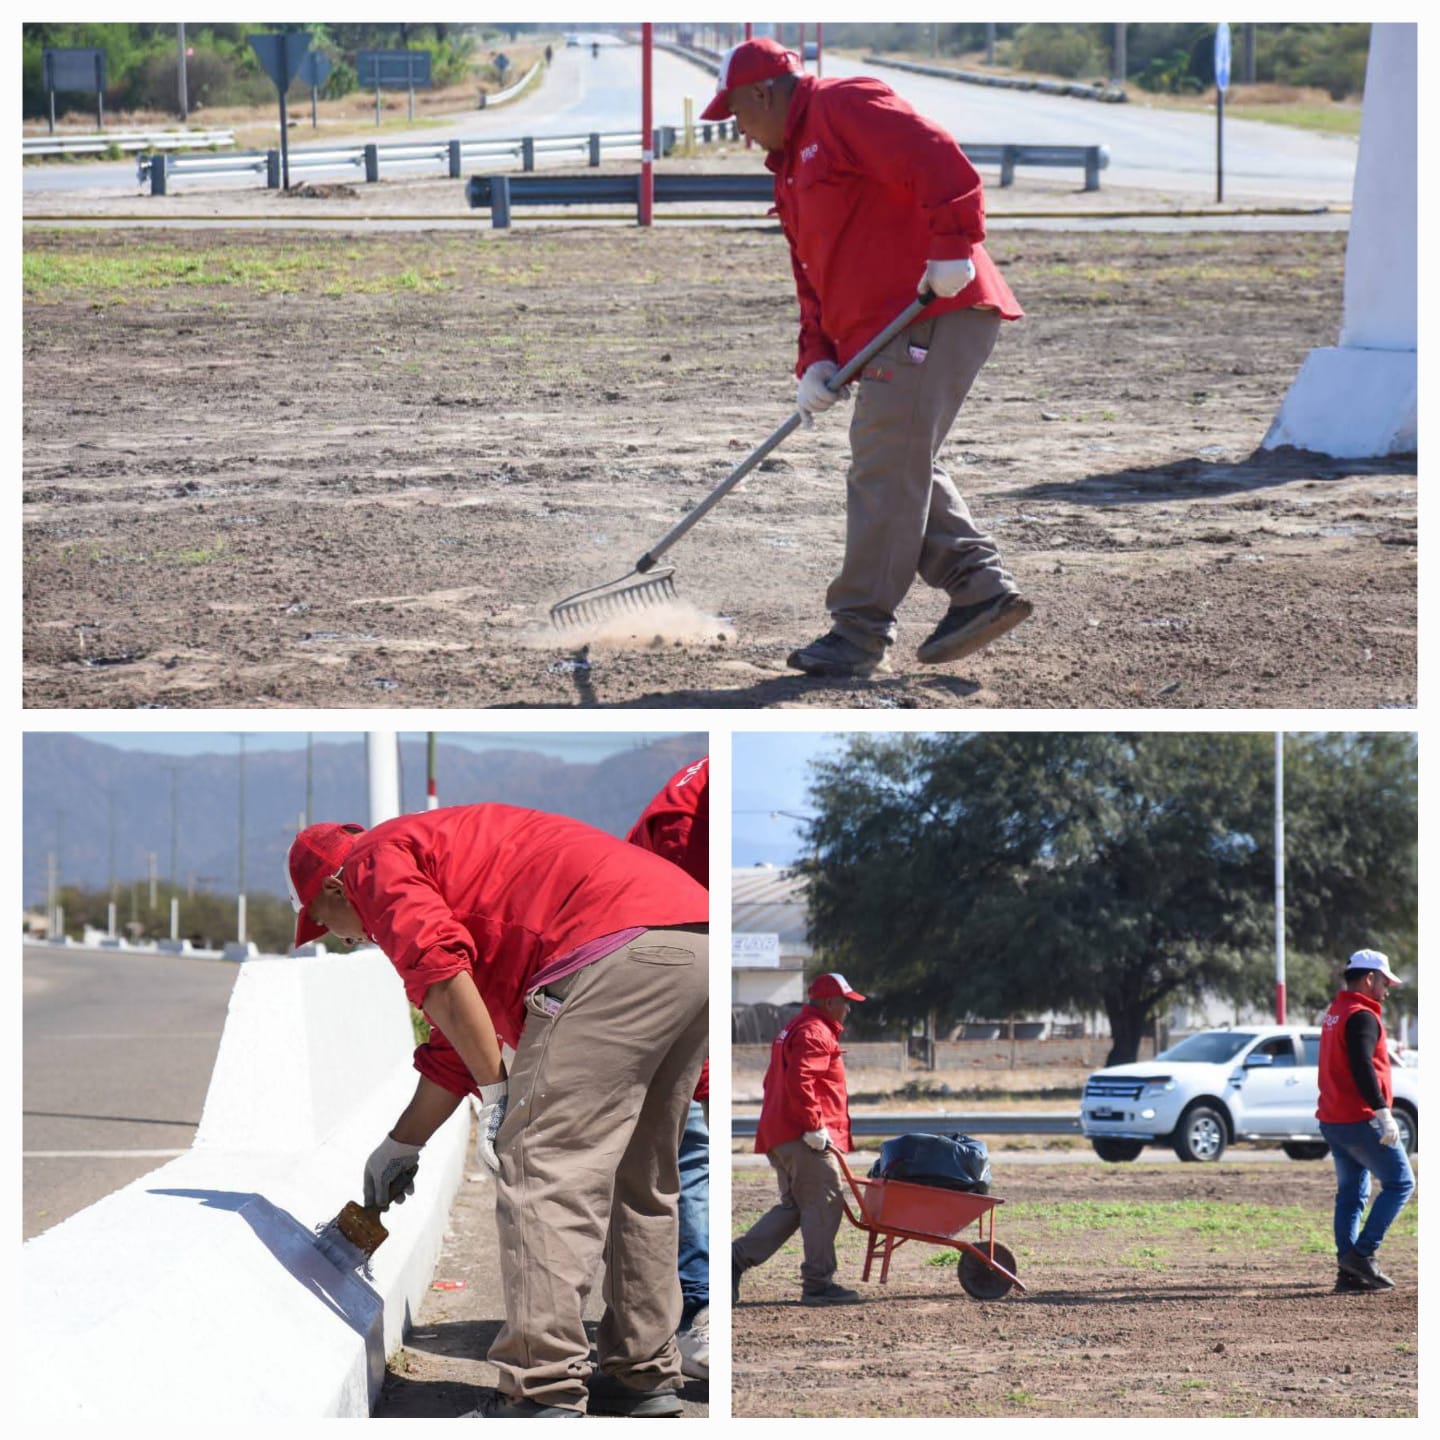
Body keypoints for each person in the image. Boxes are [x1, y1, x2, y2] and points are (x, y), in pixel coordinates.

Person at [287, 804, 708, 1418]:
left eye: (327, 923)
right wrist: (403, 1145)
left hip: (609, 947)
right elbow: (457, 1036)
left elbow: (437, 969)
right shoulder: (446, 858)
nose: (346, 939)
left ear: (333, 885)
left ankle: (541, 1393)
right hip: (688, 938)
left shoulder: (371, 863)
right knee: (641, 1180)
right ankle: (640, 1376)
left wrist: (500, 1096)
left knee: (542, 1170)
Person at [701, 38, 1031, 680]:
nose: (737, 129)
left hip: (935, 310)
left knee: (884, 463)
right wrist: (815, 360)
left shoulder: (844, 106)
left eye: (736, 113)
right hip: (879, 335)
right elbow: (811, 278)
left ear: (763, 93)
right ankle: (979, 589)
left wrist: (953, 244)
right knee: (898, 458)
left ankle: (858, 632)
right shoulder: (789, 168)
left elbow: (939, 158)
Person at [627, 755, 710, 1380]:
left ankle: (681, 1319)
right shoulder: (687, 809)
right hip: (673, 1030)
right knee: (686, 1170)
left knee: (675, 1173)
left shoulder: (687, 794)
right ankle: (693, 1315)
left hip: (662, 1025)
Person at [732, 972, 865, 1305]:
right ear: (829, 1002)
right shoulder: (814, 1032)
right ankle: (818, 1285)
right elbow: (800, 1082)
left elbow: (772, 1081)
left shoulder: (796, 1027)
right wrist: (813, 1127)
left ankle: (733, 1261)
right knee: (824, 1205)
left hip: (782, 1134)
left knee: (795, 1208)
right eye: (846, 1003)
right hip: (803, 1137)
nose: (848, 1010)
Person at [1316, 949, 1415, 1294]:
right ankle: (1363, 1254)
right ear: (1369, 979)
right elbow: (1361, 1066)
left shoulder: (1336, 1012)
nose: (1387, 989)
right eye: (1385, 981)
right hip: (1360, 1119)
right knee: (1401, 1183)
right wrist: (1382, 1112)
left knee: (1351, 1193)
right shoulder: (1362, 1016)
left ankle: (1348, 1272)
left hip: (1333, 1118)